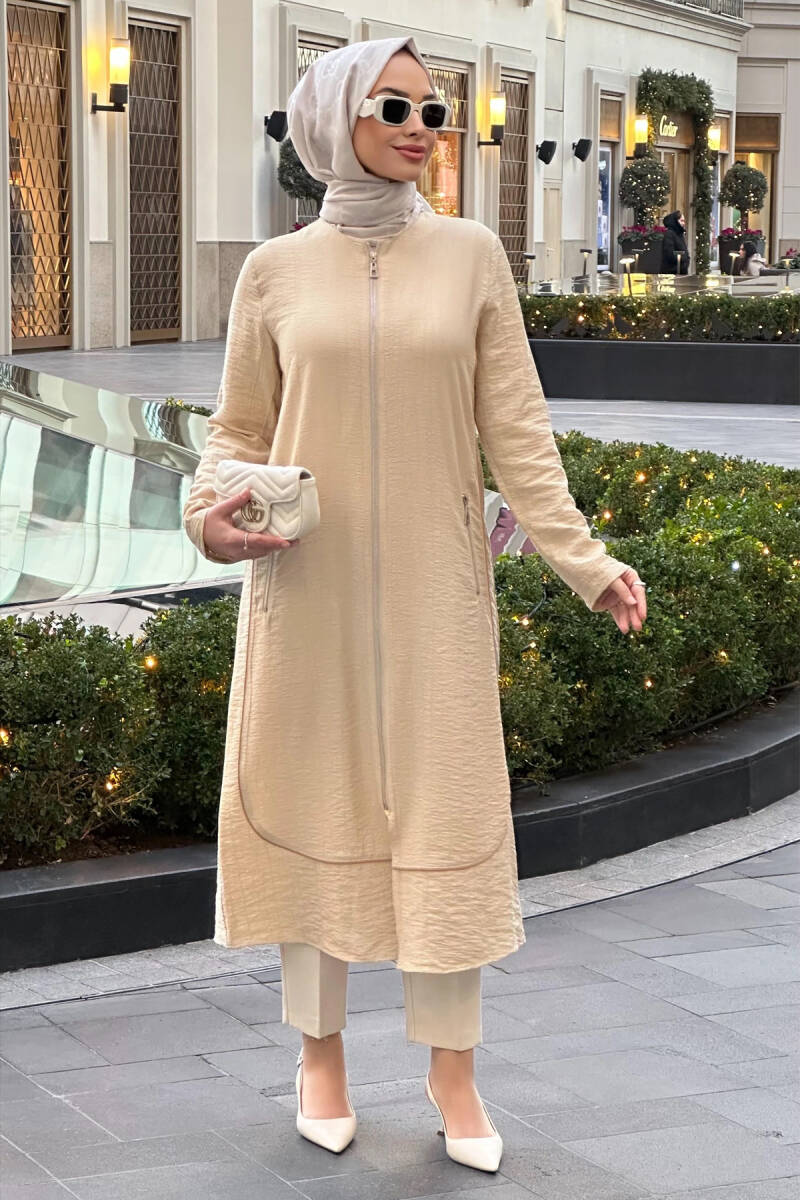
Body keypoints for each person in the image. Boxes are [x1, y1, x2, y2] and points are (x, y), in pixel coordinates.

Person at [181, 36, 647, 1172]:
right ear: (334, 116)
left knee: (446, 813)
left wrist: (582, 559)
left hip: (438, 590)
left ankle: (453, 1071)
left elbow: (517, 430)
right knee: (310, 802)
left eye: (432, 112)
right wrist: (209, 518)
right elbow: (237, 430)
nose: (419, 129)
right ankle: (319, 1056)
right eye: (393, 107)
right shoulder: (273, 273)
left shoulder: (472, 257)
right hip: (306, 585)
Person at [661, 209, 691, 274]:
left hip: (681, 271)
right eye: (681, 221)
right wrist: (684, 260)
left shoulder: (679, 234)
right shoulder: (669, 234)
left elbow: (685, 251)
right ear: (675, 221)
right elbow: (669, 254)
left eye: (684, 221)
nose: (684, 223)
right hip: (672, 272)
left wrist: (686, 260)